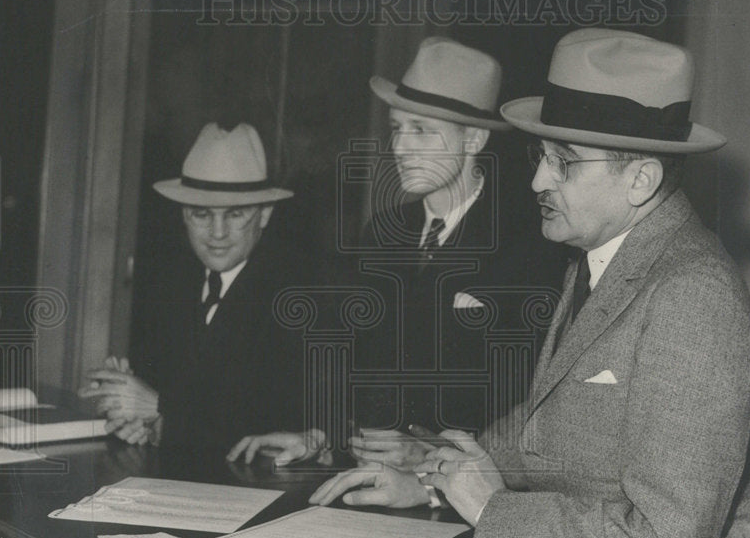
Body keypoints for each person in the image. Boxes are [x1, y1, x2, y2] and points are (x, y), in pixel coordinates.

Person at [309, 28, 750, 538]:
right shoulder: (600, 256)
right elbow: (547, 424)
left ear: (640, 179)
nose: (537, 179)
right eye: (541, 156)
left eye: (564, 162)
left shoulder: (693, 296)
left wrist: (492, 510)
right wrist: (432, 482)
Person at [229, 37, 562, 467]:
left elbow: (531, 404)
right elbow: (362, 368)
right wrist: (322, 437)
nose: (401, 148)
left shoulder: (530, 246)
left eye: (421, 131)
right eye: (397, 128)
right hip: (373, 481)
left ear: (474, 139)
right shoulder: (383, 234)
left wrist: (432, 453)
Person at [80, 122, 325, 469]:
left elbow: (276, 428)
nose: (218, 233)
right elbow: (173, 394)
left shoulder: (300, 295)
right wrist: (134, 413)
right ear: (183, 213)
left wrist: (159, 407)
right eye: (202, 214)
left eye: (236, 214)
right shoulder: (172, 284)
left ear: (265, 214)